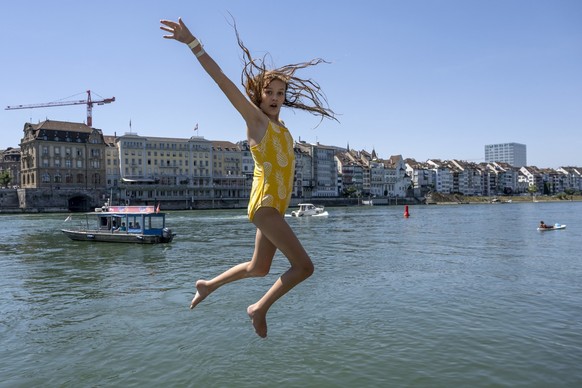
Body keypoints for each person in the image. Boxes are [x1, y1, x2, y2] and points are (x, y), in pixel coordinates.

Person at [160, 17, 336, 338]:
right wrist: (193, 43)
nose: (275, 97)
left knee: (259, 268)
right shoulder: (257, 121)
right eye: (269, 91)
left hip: (274, 209)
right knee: (304, 267)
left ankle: (208, 285)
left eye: (281, 93)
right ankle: (259, 309)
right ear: (259, 93)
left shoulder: (283, 129)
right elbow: (222, 81)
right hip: (265, 207)